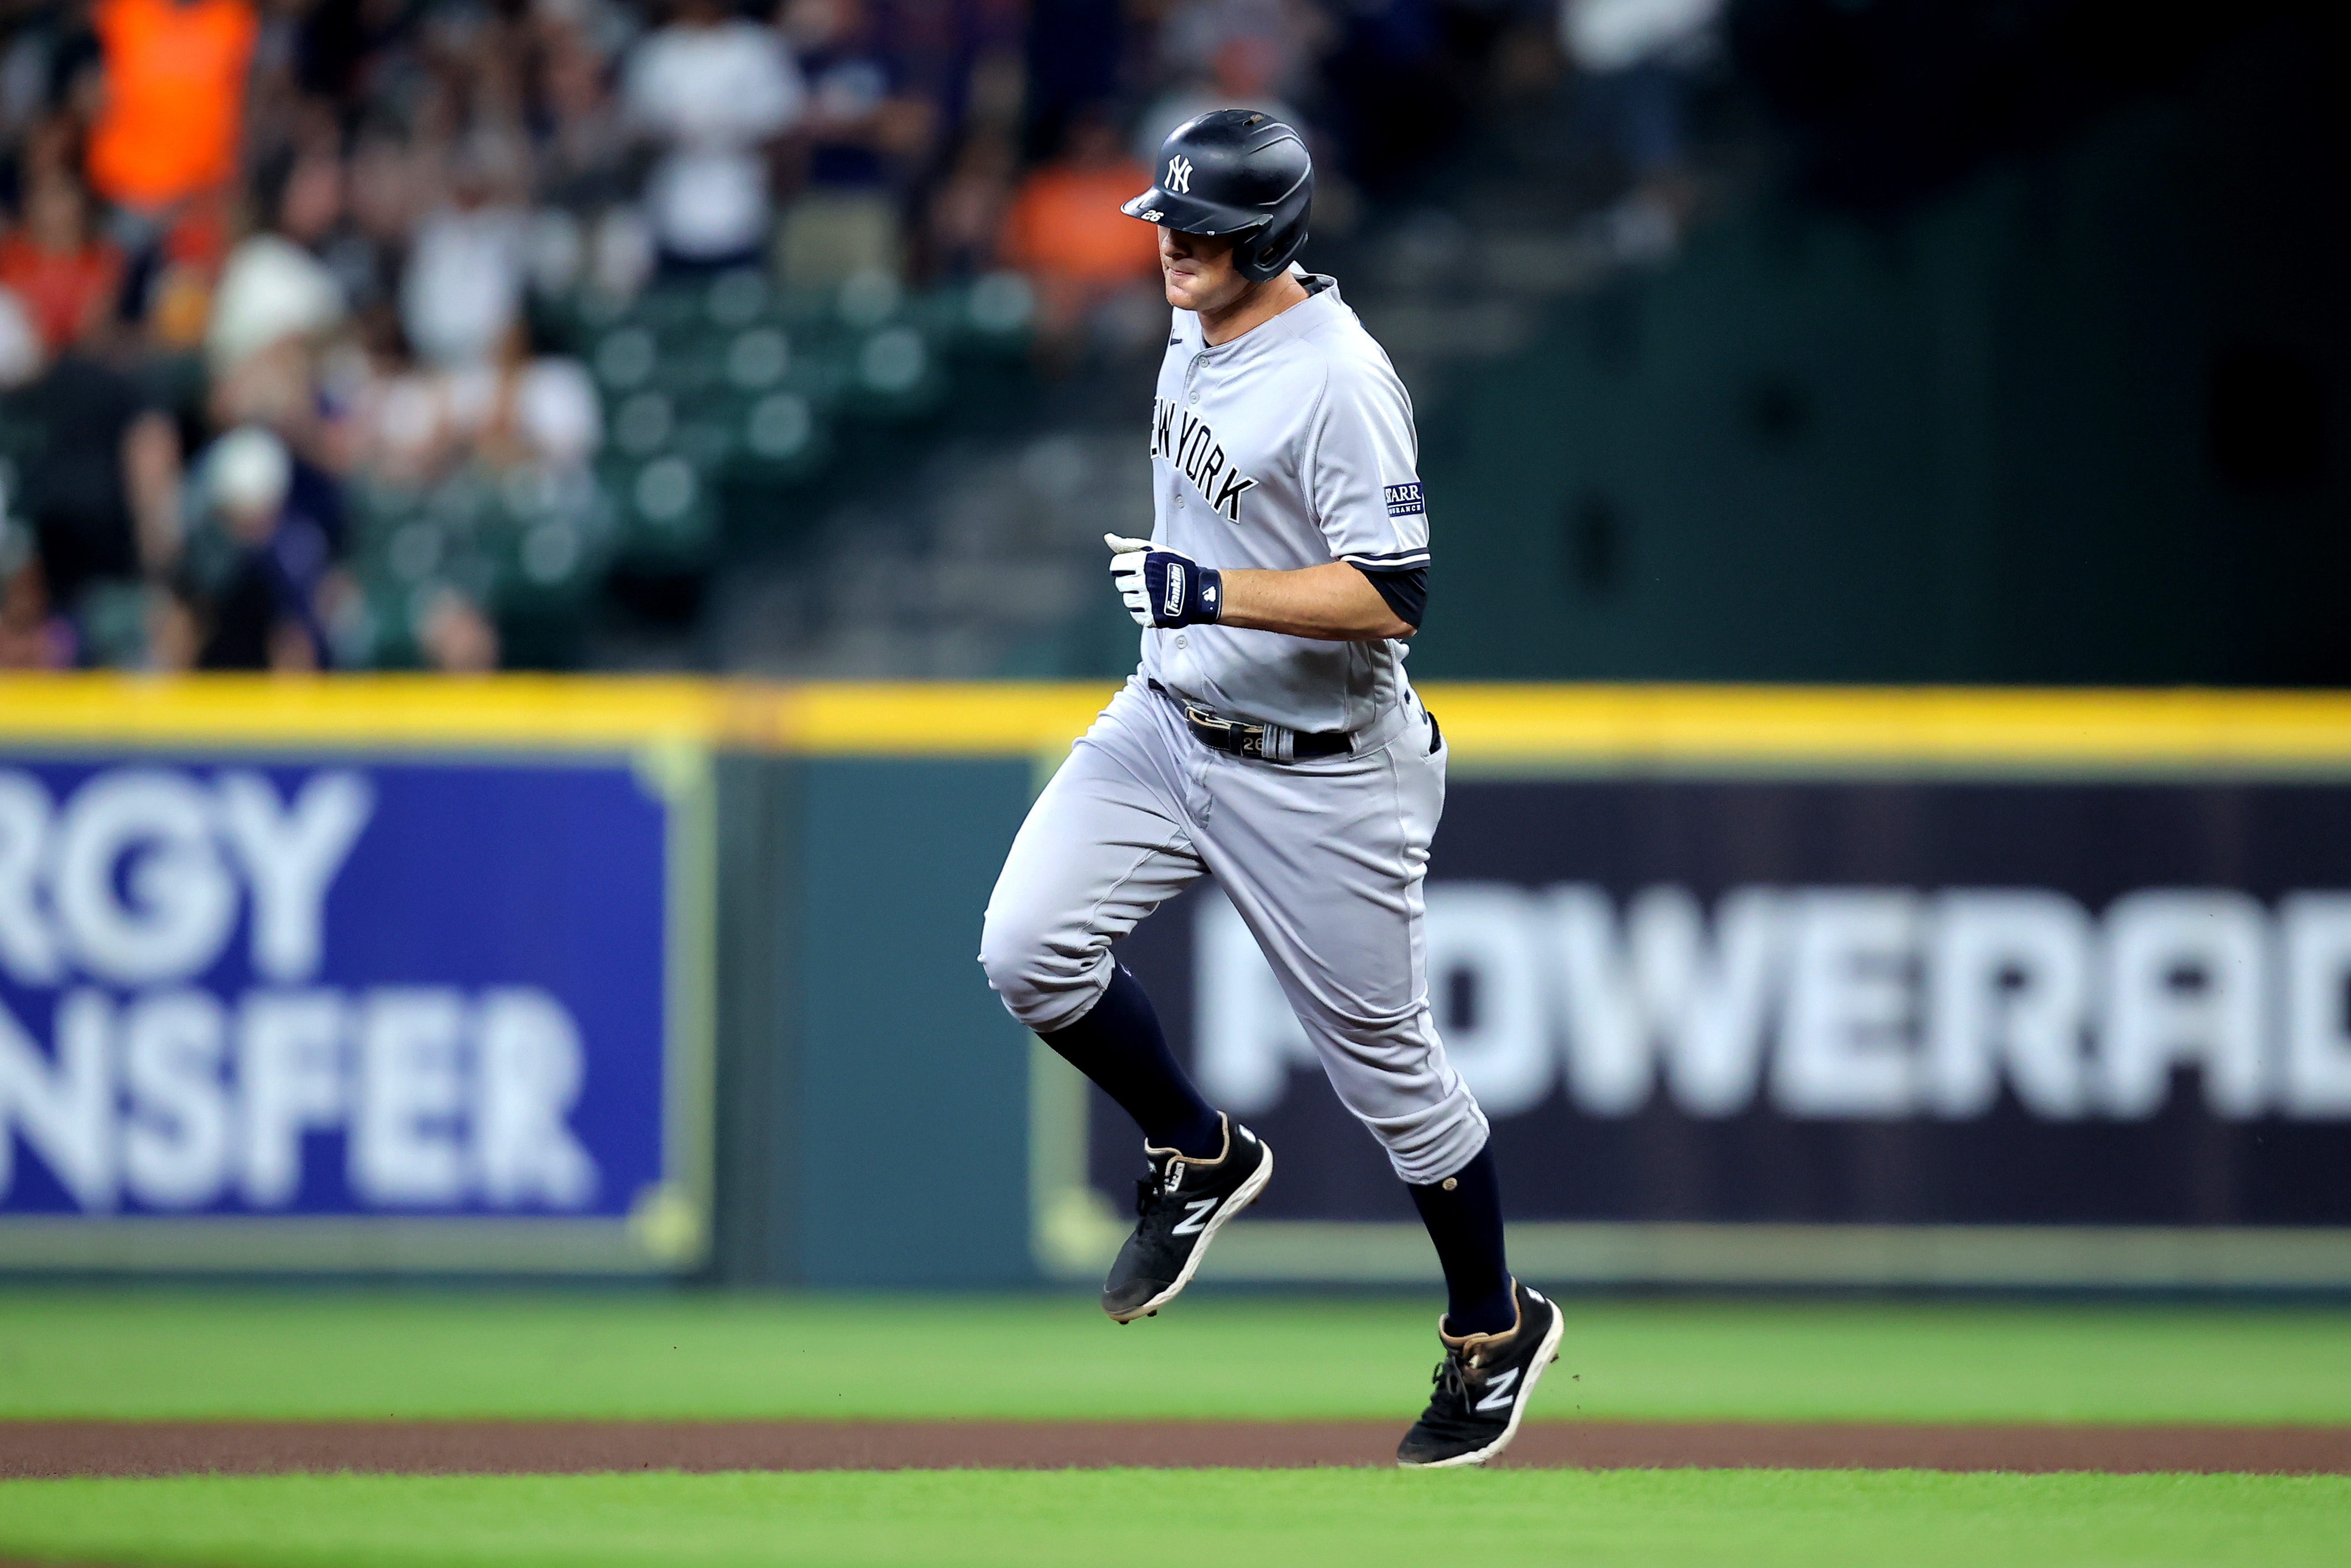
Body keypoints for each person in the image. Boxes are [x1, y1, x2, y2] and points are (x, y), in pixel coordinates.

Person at [977, 110, 1562, 1470]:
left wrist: (1210, 590)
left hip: (1323, 776)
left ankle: (1490, 1326)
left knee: (1392, 1082)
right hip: (1168, 723)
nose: (1172, 246)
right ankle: (1194, 1147)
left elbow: (1394, 594)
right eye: (1167, 222)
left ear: (1269, 239)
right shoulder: (1197, 319)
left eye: (1202, 229)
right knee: (1025, 947)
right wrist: (1192, 620)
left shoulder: (1340, 378)